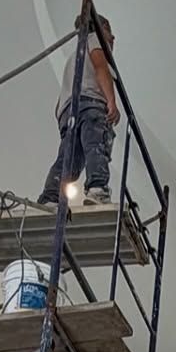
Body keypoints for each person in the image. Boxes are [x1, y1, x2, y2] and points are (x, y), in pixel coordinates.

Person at [38, 13, 119, 207]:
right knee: (96, 145)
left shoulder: (73, 58)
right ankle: (97, 188)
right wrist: (111, 101)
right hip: (90, 105)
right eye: (109, 31)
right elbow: (101, 68)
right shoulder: (94, 40)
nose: (112, 38)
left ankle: (50, 197)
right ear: (99, 29)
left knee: (68, 159)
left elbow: (59, 103)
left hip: (69, 111)